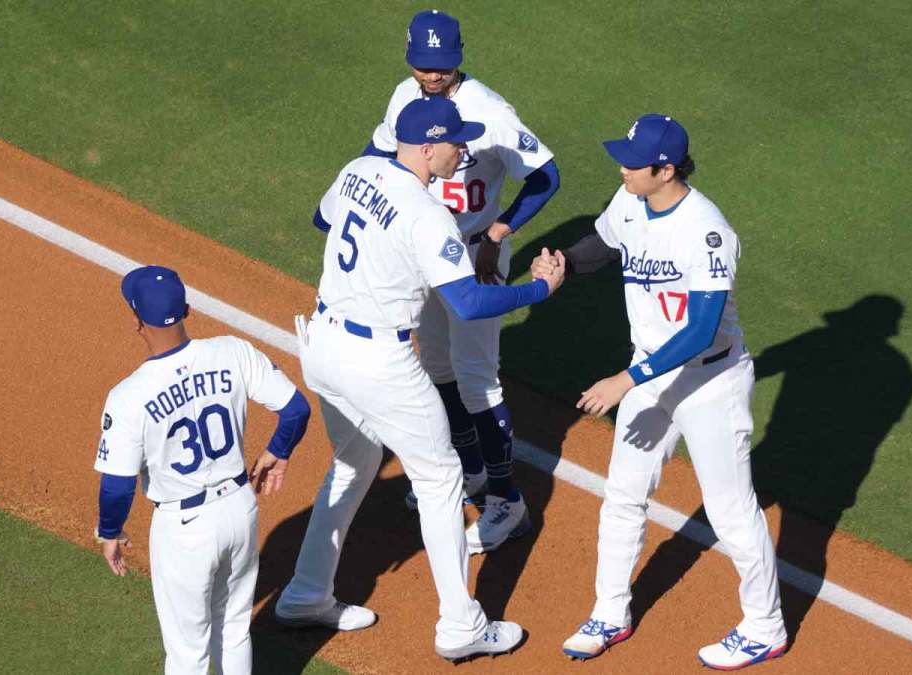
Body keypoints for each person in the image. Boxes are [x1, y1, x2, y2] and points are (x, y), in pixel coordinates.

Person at [276, 96, 565, 661]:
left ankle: (306, 593)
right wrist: (541, 291)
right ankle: (461, 626)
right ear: (428, 147)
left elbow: (323, 217)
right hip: (377, 361)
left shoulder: (358, 170)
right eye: (457, 141)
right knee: (439, 481)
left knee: (353, 463)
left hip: (322, 343)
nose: (465, 150)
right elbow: (470, 301)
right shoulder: (427, 214)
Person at [533, 114, 787, 669]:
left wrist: (626, 380)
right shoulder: (630, 200)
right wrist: (564, 265)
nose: (621, 167)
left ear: (665, 169)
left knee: (730, 510)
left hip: (710, 382)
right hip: (650, 375)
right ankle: (609, 612)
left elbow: (700, 331)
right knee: (623, 494)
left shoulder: (706, 230)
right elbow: (602, 243)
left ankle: (766, 626)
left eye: (632, 161)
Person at [362, 9, 562, 553]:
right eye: (424, 66)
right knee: (438, 365)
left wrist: (499, 230)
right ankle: (471, 468)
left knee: (479, 377)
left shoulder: (489, 112)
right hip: (420, 252)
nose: (432, 76)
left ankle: (507, 502)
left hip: (476, 254)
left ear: (460, 57)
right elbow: (378, 156)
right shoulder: (403, 96)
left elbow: (547, 174)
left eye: (442, 66)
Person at [94, 265, 311, 675]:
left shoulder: (128, 395)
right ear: (188, 310)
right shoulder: (233, 351)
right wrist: (277, 451)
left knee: (186, 653)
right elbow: (296, 409)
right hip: (239, 509)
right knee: (233, 631)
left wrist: (109, 531)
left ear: (137, 320)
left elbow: (118, 486)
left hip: (184, 529)